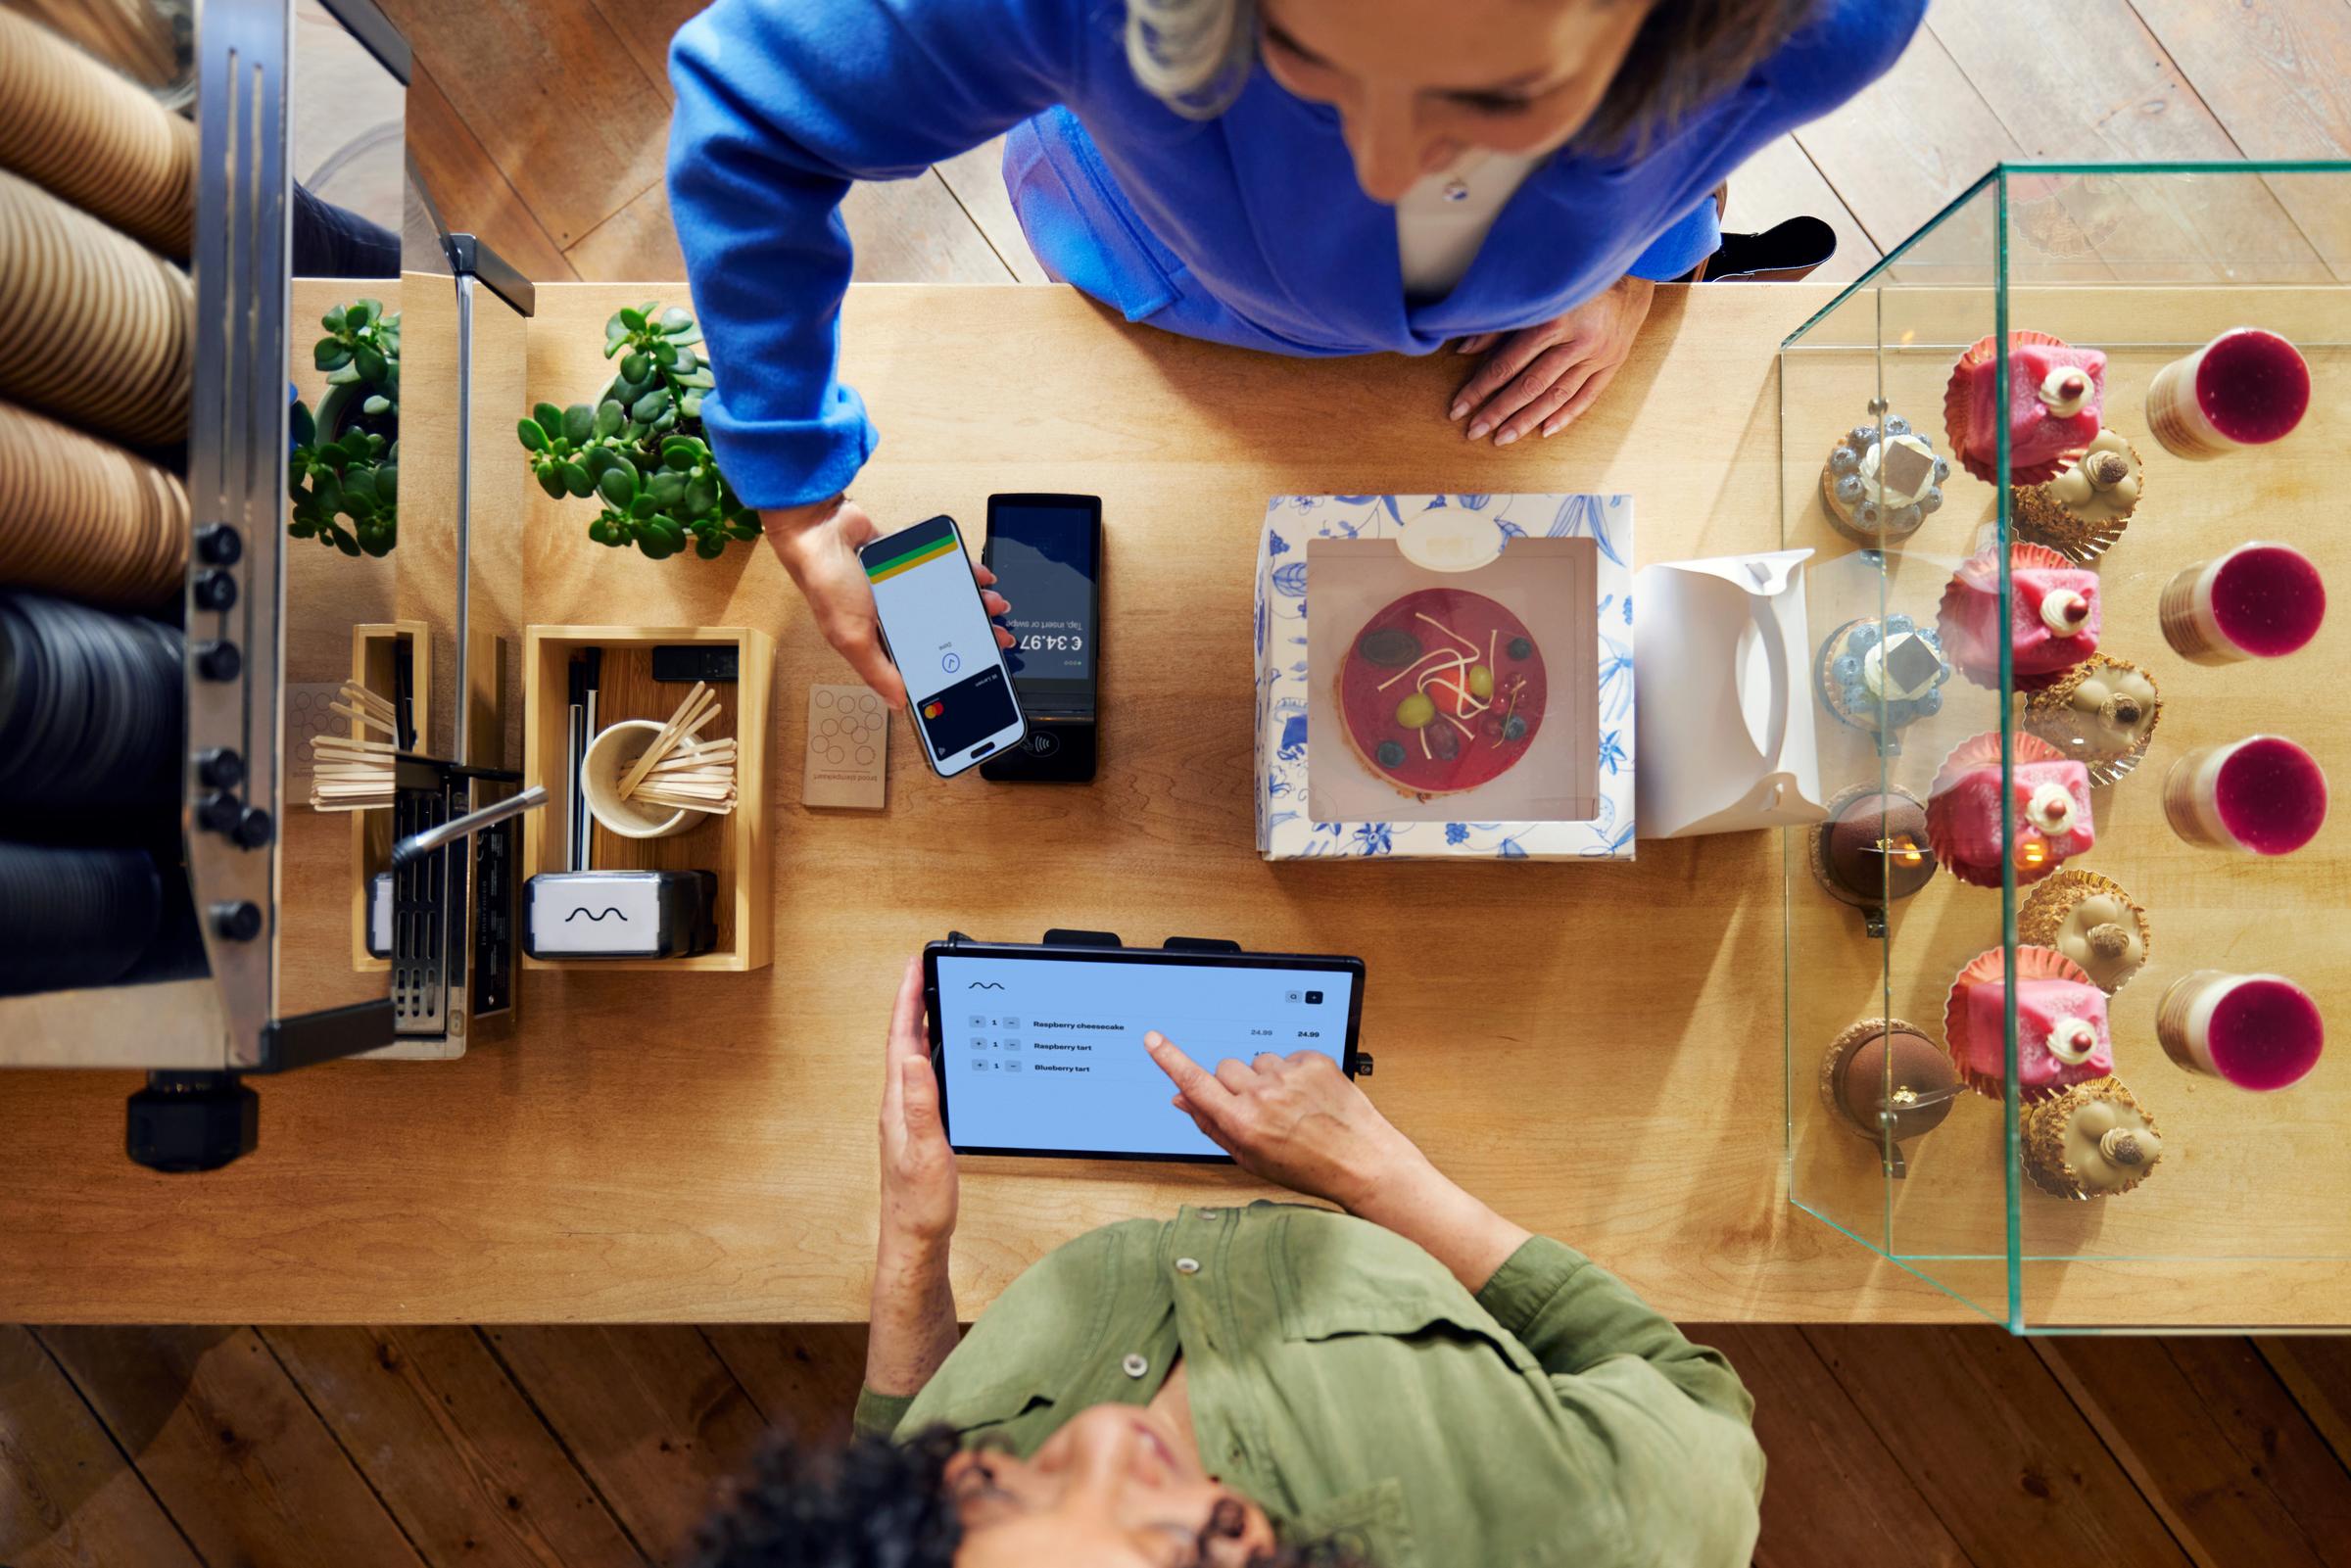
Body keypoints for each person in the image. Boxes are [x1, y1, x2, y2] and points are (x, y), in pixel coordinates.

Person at [667, 0, 1923, 706]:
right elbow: (751, 116)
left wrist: (1648, 264)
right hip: (1149, 267)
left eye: (1497, 103)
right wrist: (796, 489)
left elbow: (1713, 146)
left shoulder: (1824, 29)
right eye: (1312, 65)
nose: (1385, 167)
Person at [689, 959, 1763, 1566]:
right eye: (1183, 1537)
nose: (1104, 1437)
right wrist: (1377, 1172)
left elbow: (894, 1444)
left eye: (997, 1484)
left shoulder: (906, 1514)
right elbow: (1695, 1394)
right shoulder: (1573, 1533)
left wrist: (915, 1239)